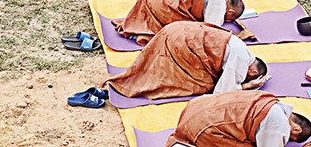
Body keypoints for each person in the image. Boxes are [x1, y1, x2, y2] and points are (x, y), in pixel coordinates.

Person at [103, 22, 267, 99]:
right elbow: (222, 93)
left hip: (176, 28)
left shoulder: (241, 47)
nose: (242, 78)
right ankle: (133, 83)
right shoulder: (241, 59)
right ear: (253, 71)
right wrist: (247, 86)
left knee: (153, 63)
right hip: (181, 42)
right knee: (204, 84)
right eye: (246, 77)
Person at [116, 0, 244, 45]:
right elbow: (211, 32)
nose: (224, 20)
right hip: (163, 2)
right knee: (183, 33)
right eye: (227, 18)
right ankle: (142, 33)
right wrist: (239, 37)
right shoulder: (219, 2)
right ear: (230, 11)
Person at [165, 91, 311, 147]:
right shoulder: (280, 123)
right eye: (289, 139)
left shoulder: (269, 100)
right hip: (202, 127)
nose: (284, 141)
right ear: (296, 129)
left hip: (193, 107)